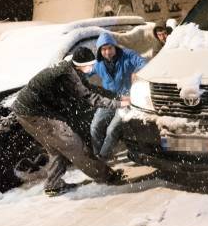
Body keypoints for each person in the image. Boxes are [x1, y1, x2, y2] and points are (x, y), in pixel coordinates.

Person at [12, 47, 129, 196]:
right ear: (79, 64)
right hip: (35, 114)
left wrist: (117, 96)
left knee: (56, 147)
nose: (92, 68)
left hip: (26, 112)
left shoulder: (70, 68)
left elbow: (88, 88)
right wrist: (119, 104)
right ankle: (107, 176)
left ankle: (53, 185)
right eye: (89, 65)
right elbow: (90, 98)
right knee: (74, 146)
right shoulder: (67, 74)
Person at [90, 33, 147, 160]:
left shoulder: (127, 55)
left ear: (115, 47)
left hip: (126, 100)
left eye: (110, 48)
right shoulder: (98, 63)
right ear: (100, 51)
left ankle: (103, 157)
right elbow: (84, 72)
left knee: (112, 129)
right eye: (104, 49)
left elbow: (143, 62)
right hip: (109, 99)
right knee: (95, 126)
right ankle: (95, 156)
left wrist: (137, 72)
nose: (107, 52)